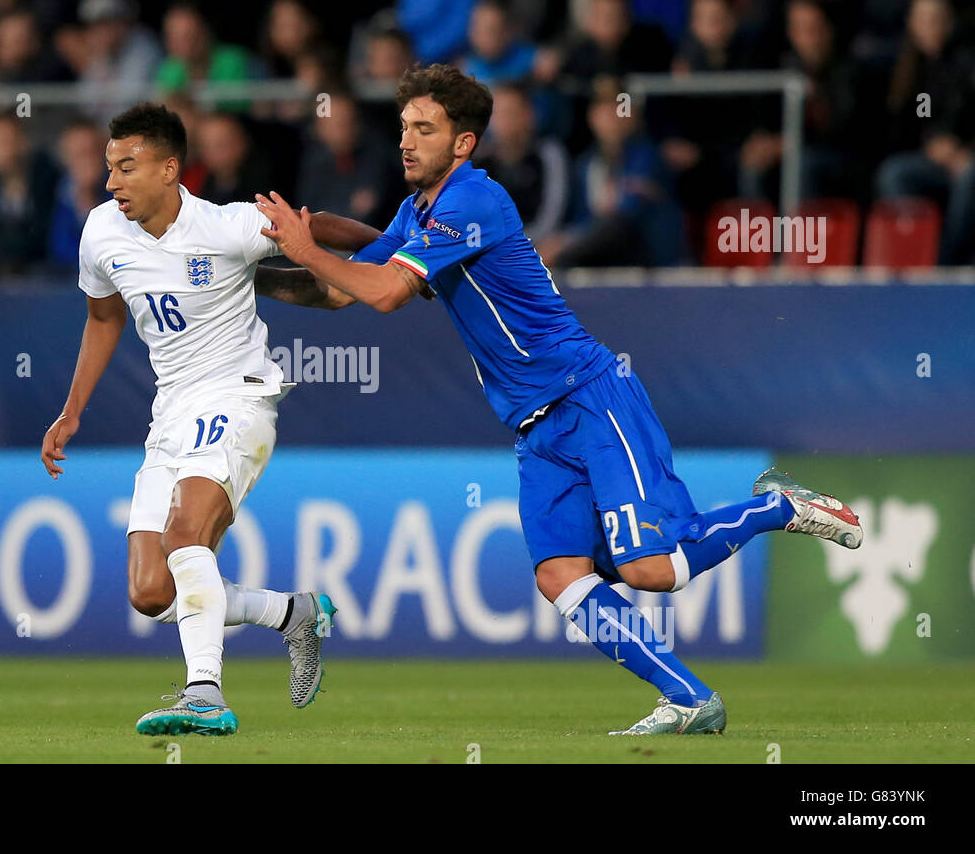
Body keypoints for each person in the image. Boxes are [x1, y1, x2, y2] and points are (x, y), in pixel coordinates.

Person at [254, 65, 864, 735]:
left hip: (589, 399)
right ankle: (690, 698)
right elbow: (344, 284)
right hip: (537, 428)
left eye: (424, 128)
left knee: (651, 569)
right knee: (560, 575)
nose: (406, 140)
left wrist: (308, 244)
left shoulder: (471, 201)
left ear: (462, 143)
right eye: (402, 126)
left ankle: (778, 505)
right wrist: (254, 276)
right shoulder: (419, 212)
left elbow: (385, 291)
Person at [40, 103, 371, 736]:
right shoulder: (102, 232)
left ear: (171, 169)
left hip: (236, 397)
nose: (111, 183)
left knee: (186, 533)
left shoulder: (228, 226)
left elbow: (314, 227)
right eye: (109, 168)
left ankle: (204, 694)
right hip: (170, 412)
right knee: (151, 591)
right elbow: (103, 319)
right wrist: (70, 411)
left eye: (126, 167)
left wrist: (399, 253)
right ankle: (293, 613)